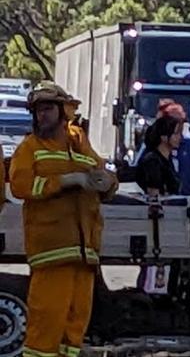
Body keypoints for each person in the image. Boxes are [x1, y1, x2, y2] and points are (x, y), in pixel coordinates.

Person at [10, 81, 117, 357]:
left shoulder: (79, 142)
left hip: (84, 254)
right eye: (37, 110)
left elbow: (102, 173)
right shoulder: (30, 147)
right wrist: (65, 181)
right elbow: (21, 186)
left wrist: (107, 182)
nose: (41, 115)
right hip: (51, 253)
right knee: (45, 326)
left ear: (63, 111)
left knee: (74, 330)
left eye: (47, 108)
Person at [136, 114, 190, 305]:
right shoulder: (153, 160)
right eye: (176, 134)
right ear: (164, 137)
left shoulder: (166, 159)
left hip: (171, 221)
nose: (180, 138)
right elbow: (154, 195)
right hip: (159, 224)